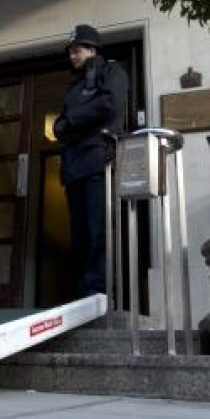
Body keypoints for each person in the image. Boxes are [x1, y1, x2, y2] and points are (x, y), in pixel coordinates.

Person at [52, 24, 129, 299]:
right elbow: (59, 125)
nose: (72, 56)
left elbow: (109, 104)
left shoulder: (112, 71)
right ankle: (85, 292)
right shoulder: (74, 87)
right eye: (70, 51)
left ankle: (100, 290)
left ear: (92, 49)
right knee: (80, 234)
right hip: (74, 166)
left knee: (100, 231)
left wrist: (72, 120)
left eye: (77, 50)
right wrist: (66, 123)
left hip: (98, 161)